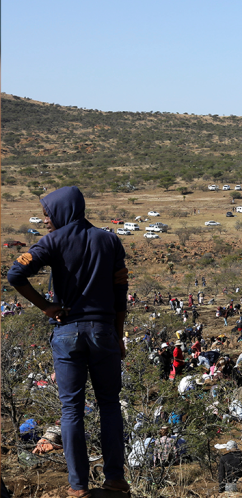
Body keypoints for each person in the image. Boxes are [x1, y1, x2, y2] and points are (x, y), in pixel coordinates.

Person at [6, 186, 131, 496]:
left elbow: (15, 274)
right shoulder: (110, 240)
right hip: (104, 332)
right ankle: (115, 479)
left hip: (68, 334)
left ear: (63, 211)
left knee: (71, 411)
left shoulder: (51, 242)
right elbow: (120, 295)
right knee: (110, 406)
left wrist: (46, 306)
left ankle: (78, 488)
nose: (46, 220)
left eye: (48, 214)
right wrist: (119, 335)